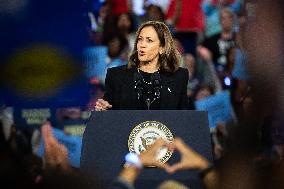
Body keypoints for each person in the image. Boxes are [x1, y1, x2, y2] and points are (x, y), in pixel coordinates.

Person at [95, 21, 189, 111]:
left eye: (149, 40)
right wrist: (103, 109)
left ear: (162, 48)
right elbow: (109, 117)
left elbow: (183, 118)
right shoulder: (116, 75)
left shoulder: (179, 76)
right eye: (140, 39)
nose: (142, 45)